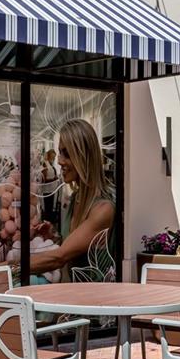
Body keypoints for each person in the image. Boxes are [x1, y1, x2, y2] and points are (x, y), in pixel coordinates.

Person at [27, 118, 114, 276]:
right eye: (60, 152)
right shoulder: (76, 198)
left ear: (84, 157)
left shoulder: (103, 209)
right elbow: (74, 247)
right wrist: (54, 236)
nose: (60, 161)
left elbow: (60, 258)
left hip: (97, 299)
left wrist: (9, 267)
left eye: (66, 154)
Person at [41, 148, 59, 224]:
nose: (54, 159)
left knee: (50, 207)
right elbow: (44, 180)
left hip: (51, 190)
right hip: (47, 191)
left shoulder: (51, 165)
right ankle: (47, 223)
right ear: (49, 156)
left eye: (54, 158)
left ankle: (49, 223)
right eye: (53, 157)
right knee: (48, 208)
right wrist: (54, 179)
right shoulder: (45, 164)